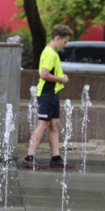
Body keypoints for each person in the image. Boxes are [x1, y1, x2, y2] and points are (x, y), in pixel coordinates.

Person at [23, 24, 74, 169]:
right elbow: (44, 75)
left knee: (54, 124)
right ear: (57, 38)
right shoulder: (50, 53)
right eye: (65, 42)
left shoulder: (50, 52)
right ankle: (29, 157)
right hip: (46, 93)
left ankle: (56, 158)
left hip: (52, 93)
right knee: (43, 124)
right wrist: (62, 79)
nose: (65, 45)